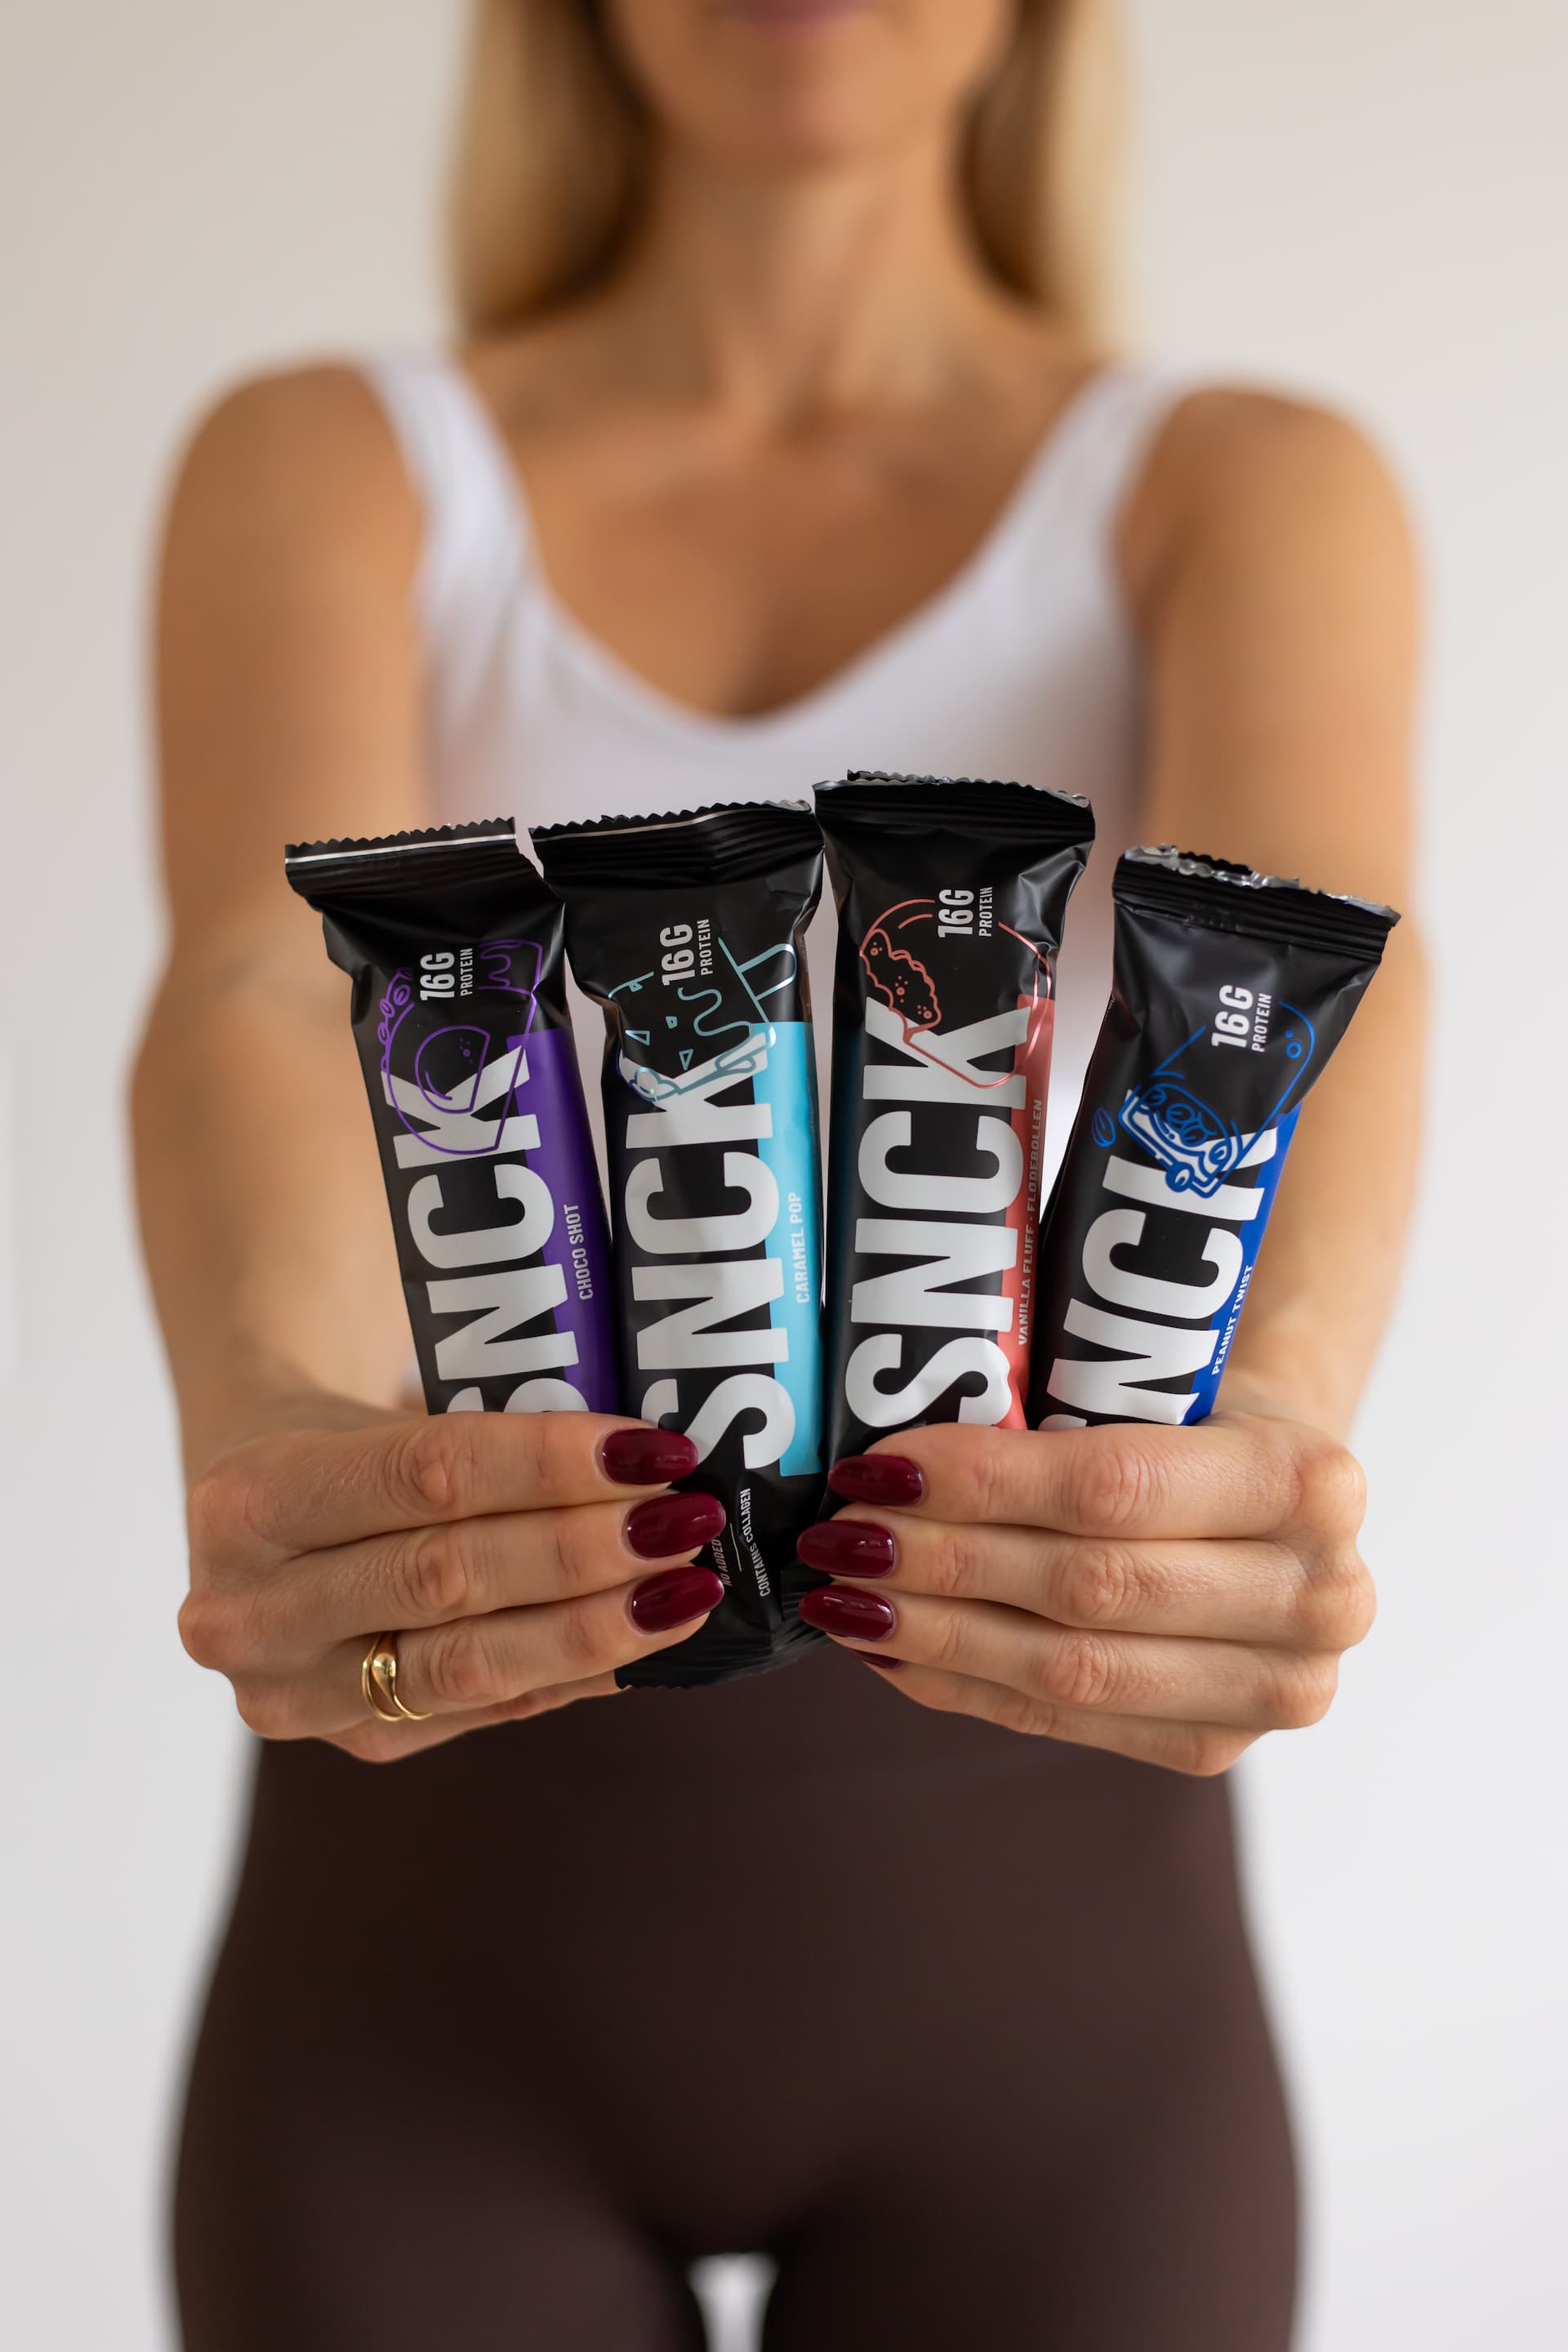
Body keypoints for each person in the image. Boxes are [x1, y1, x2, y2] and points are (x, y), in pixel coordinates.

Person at [135, 2, 1423, 2345]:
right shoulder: (329, 455)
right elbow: (251, 984)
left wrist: (1259, 1457)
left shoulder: (1240, 479)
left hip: (1067, 1986)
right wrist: (268, 1417)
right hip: (420, 1951)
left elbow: (1333, 986)